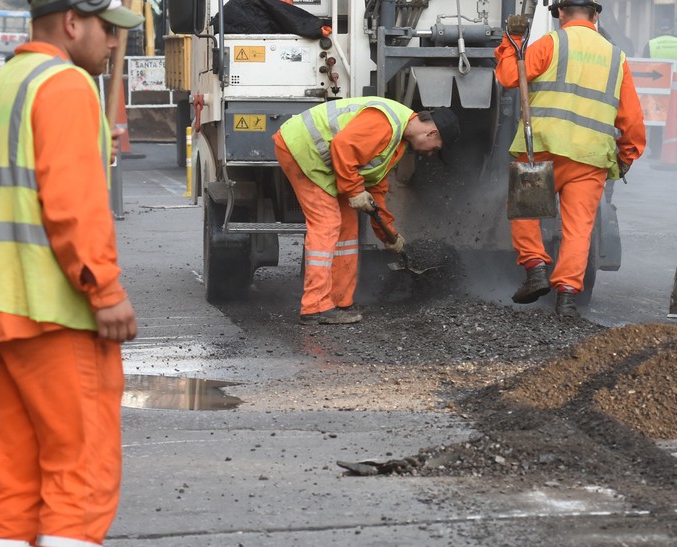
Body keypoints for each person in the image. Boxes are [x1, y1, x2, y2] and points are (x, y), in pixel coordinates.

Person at [0, 0, 142, 547]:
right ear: (72, 21)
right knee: (81, 473)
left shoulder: (4, 85)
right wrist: (106, 288)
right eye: (107, 28)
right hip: (56, 312)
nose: (114, 43)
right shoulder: (65, 85)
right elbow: (70, 199)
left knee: (19, 480)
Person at [497, 0, 646, 317]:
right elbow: (632, 119)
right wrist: (626, 156)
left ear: (560, 13)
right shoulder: (615, 57)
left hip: (543, 146)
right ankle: (566, 298)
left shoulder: (551, 43)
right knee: (579, 229)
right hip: (590, 157)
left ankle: (535, 268)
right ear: (596, 15)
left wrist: (513, 42)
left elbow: (510, 77)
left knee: (525, 210)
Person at [273, 98, 460, 325]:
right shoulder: (385, 123)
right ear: (432, 133)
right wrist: (353, 191)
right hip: (303, 149)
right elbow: (343, 146)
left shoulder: (398, 142)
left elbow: (376, 186)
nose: (431, 154)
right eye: (436, 148)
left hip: (326, 161)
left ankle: (339, 302)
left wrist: (388, 234)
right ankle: (314, 307)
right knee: (327, 224)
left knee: (347, 227)